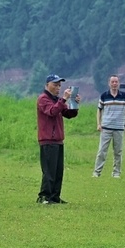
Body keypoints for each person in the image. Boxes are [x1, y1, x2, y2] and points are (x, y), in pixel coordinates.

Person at [37, 73, 79, 204]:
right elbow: (52, 112)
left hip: (58, 139)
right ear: (47, 85)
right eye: (55, 84)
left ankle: (54, 196)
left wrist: (74, 104)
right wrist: (63, 100)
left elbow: (68, 114)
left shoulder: (57, 100)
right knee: (49, 171)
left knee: (58, 171)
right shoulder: (43, 99)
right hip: (48, 139)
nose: (58, 87)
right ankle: (44, 196)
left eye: (59, 85)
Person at [93, 75, 125, 178]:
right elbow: (99, 110)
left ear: (119, 83)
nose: (114, 84)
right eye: (112, 82)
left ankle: (116, 172)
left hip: (119, 127)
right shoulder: (104, 96)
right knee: (102, 151)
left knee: (118, 151)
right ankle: (97, 172)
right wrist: (99, 123)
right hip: (106, 126)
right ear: (109, 83)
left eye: (116, 82)